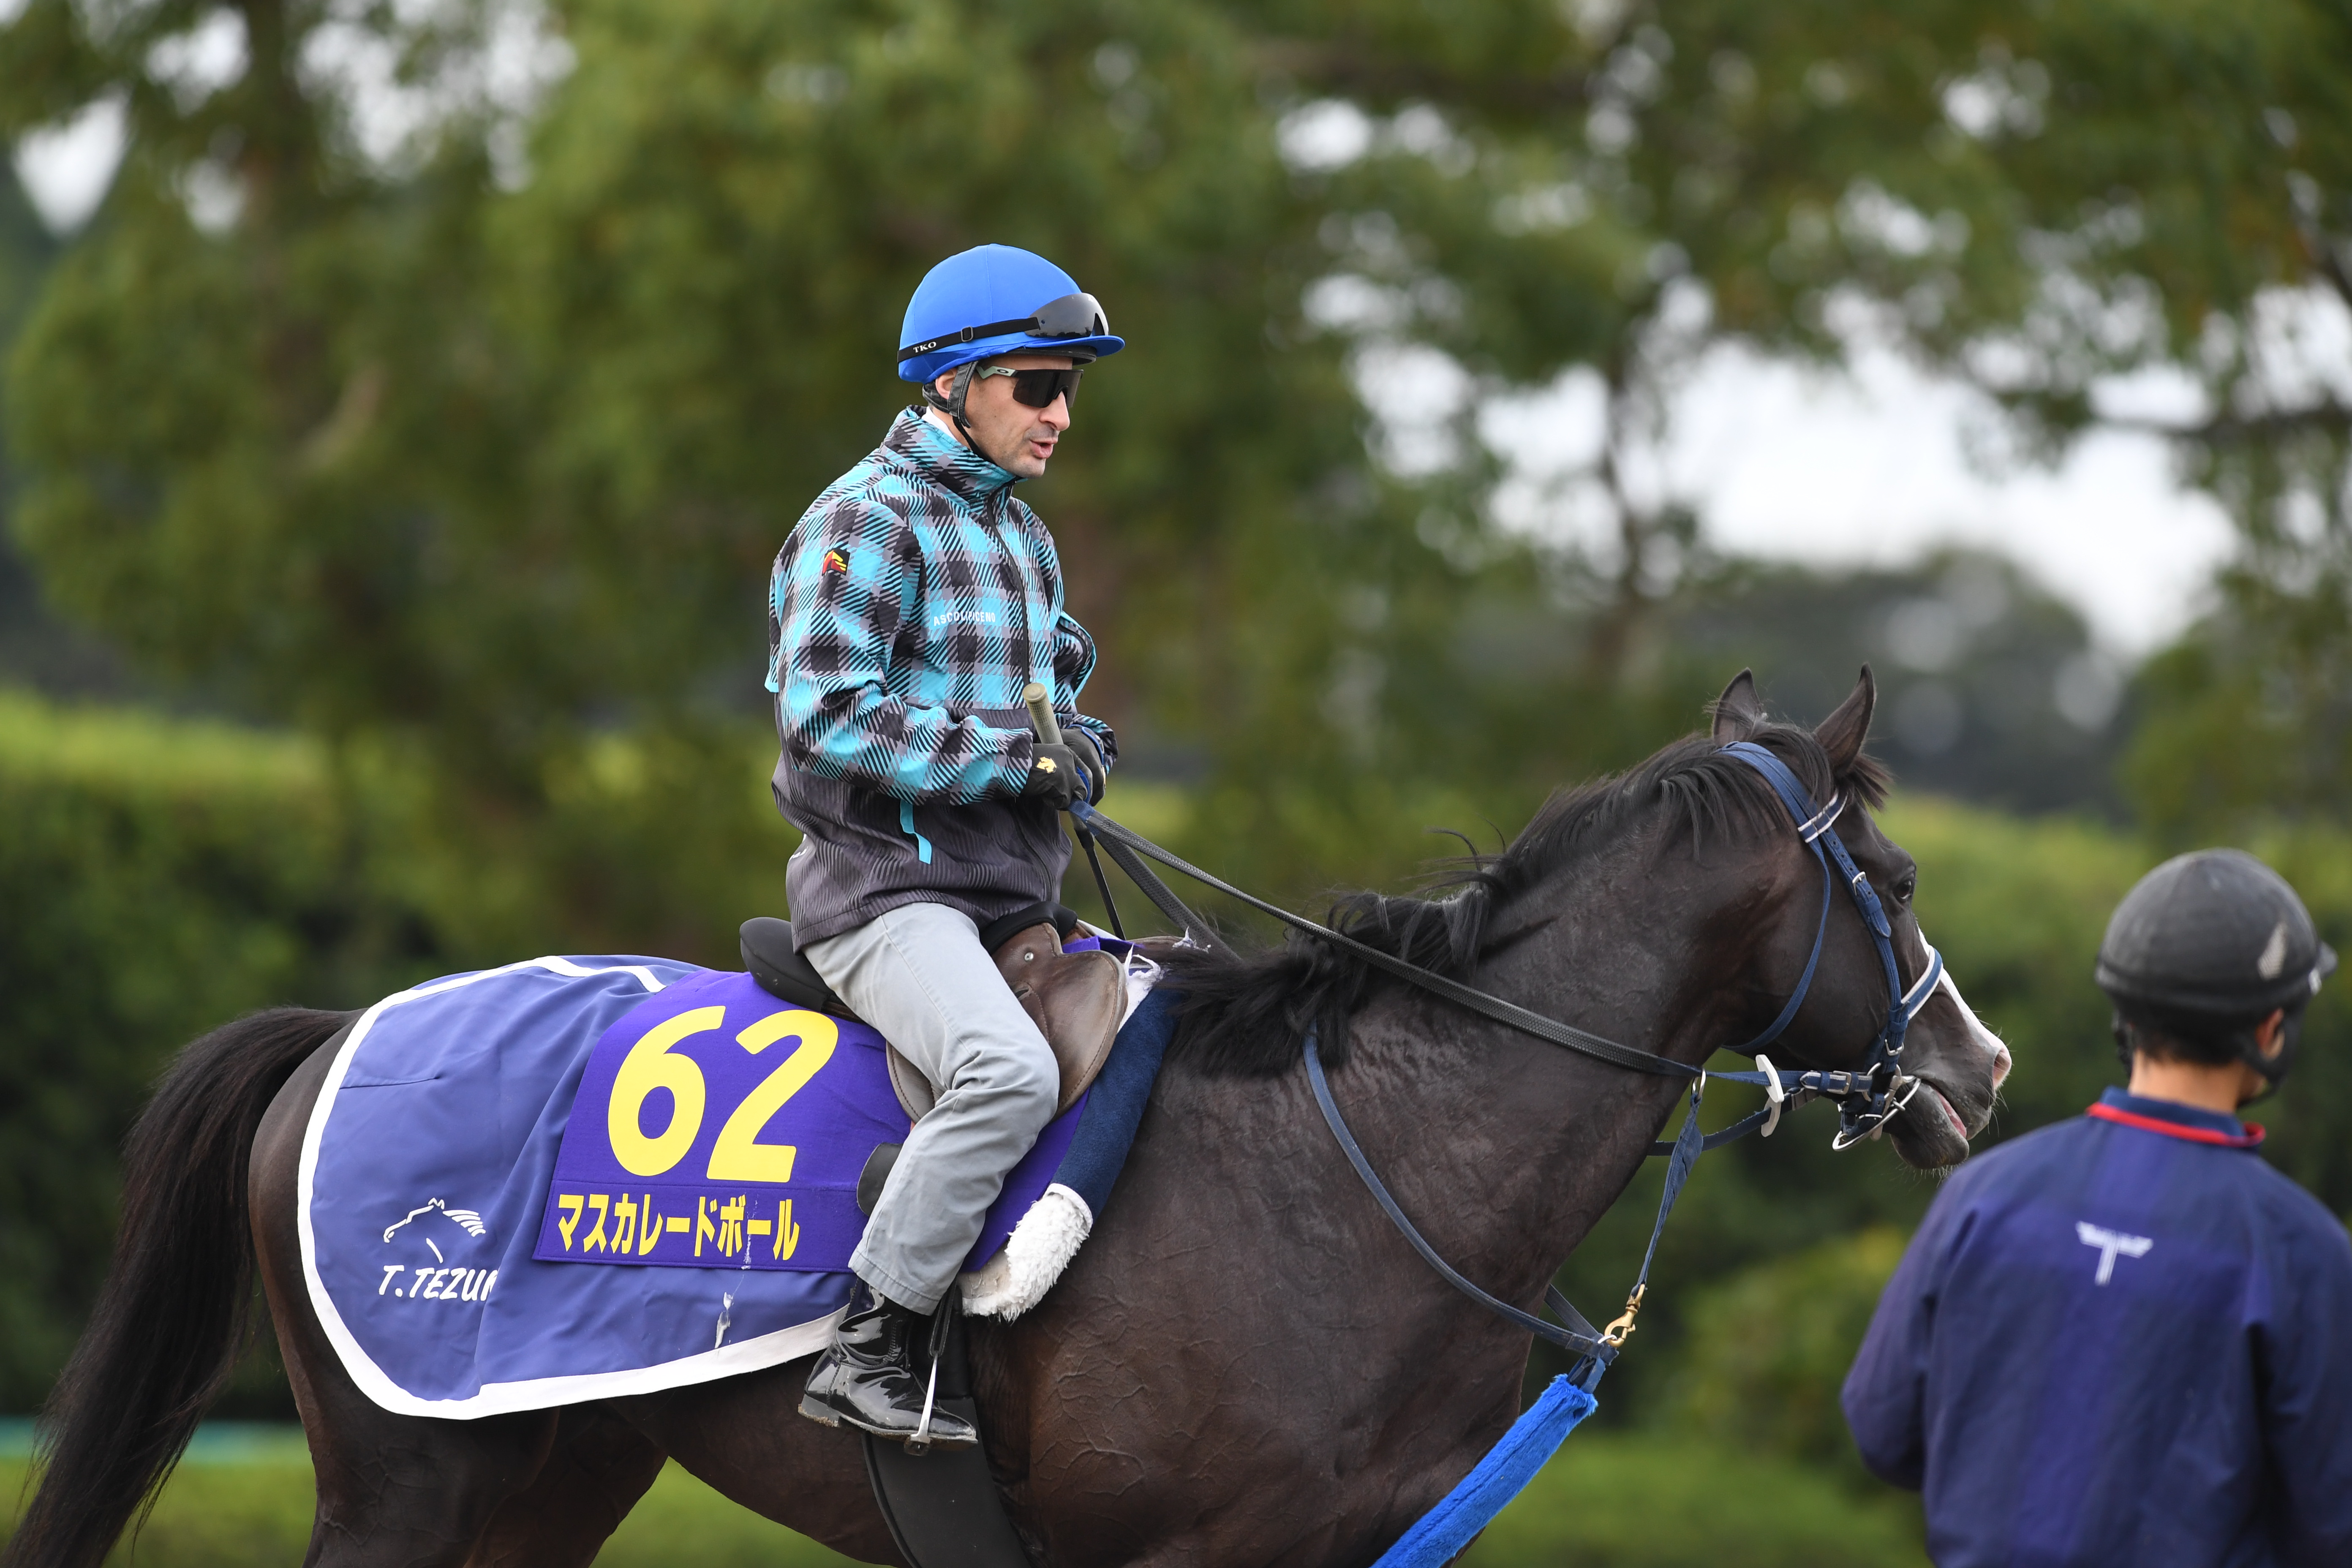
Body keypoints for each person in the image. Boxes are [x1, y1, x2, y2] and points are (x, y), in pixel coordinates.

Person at [764, 244, 1121, 1446]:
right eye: (1038, 385)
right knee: (1009, 1073)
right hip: (887, 897)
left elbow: (1044, 703)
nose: (1060, 414)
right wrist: (1018, 761)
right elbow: (827, 715)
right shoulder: (863, 517)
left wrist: (1076, 746)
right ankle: (871, 1340)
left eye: (1070, 388)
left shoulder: (1024, 536)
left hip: (1010, 900)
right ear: (956, 383)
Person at [1842, 849, 2352, 1566]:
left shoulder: (1984, 1196)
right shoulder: (2301, 1251)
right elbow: (2332, 1523)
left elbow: (1883, 1429)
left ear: (2126, 1013)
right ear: (2272, 1029)